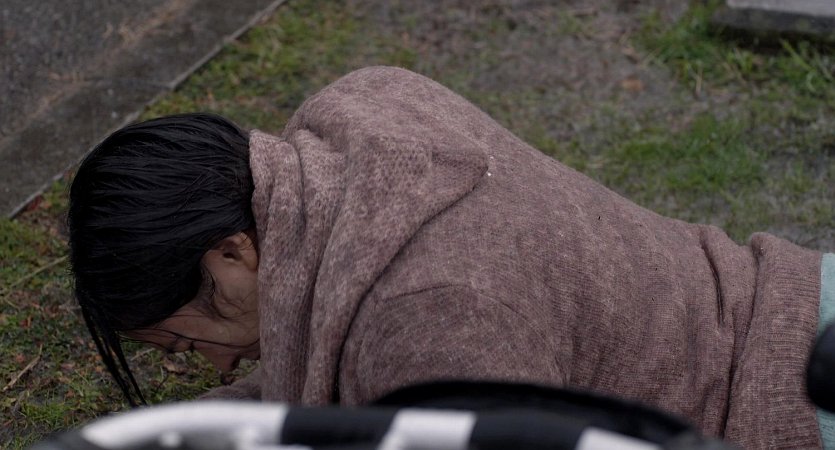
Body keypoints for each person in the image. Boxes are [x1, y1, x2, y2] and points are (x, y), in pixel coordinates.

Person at [68, 66, 833, 449]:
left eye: (185, 342)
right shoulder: (365, 111)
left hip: (778, 414)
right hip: (803, 293)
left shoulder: (432, 319)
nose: (212, 367)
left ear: (232, 252)